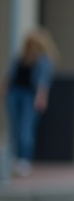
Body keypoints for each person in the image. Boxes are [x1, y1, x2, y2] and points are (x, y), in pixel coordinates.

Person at [3, 27, 57, 182]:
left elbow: (43, 83)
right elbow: (10, 77)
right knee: (14, 128)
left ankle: (24, 159)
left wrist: (41, 98)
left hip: (29, 96)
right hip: (14, 95)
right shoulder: (20, 57)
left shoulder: (44, 60)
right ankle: (14, 158)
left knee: (25, 128)